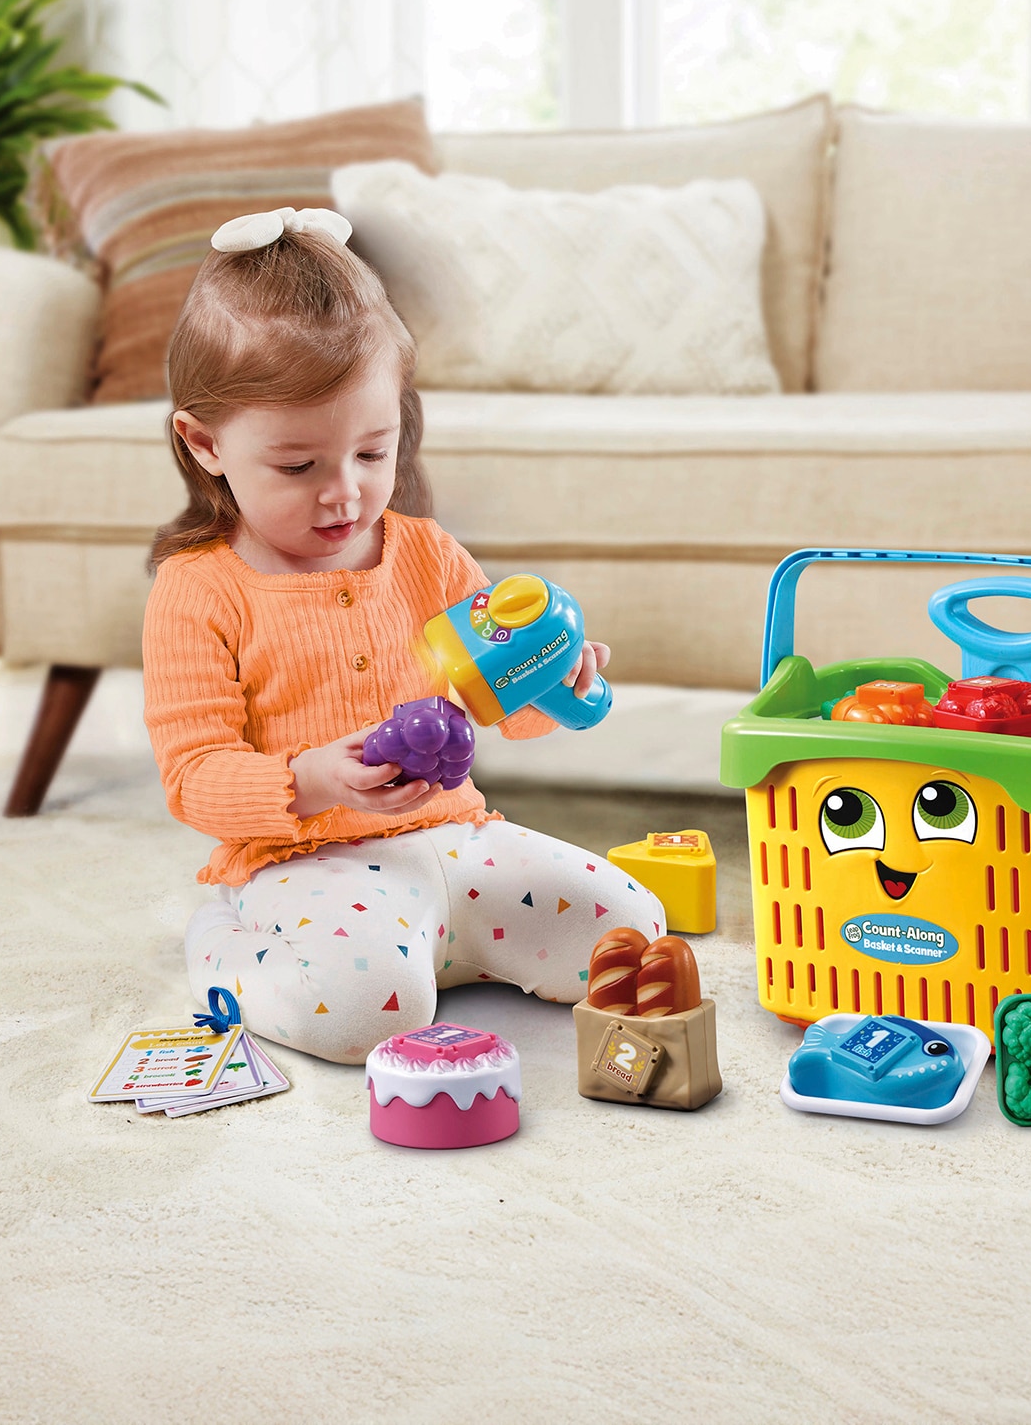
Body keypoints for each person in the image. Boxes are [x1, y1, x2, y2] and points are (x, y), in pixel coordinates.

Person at [143, 206, 663, 1064]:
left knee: (634, 939)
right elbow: (193, 776)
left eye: (372, 452)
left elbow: (508, 704)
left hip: (459, 840)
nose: (343, 493)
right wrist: (311, 779)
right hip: (308, 866)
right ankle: (227, 941)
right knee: (363, 1019)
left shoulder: (426, 554)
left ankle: (428, 953)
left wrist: (558, 682)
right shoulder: (200, 588)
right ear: (205, 443)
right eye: (298, 466)